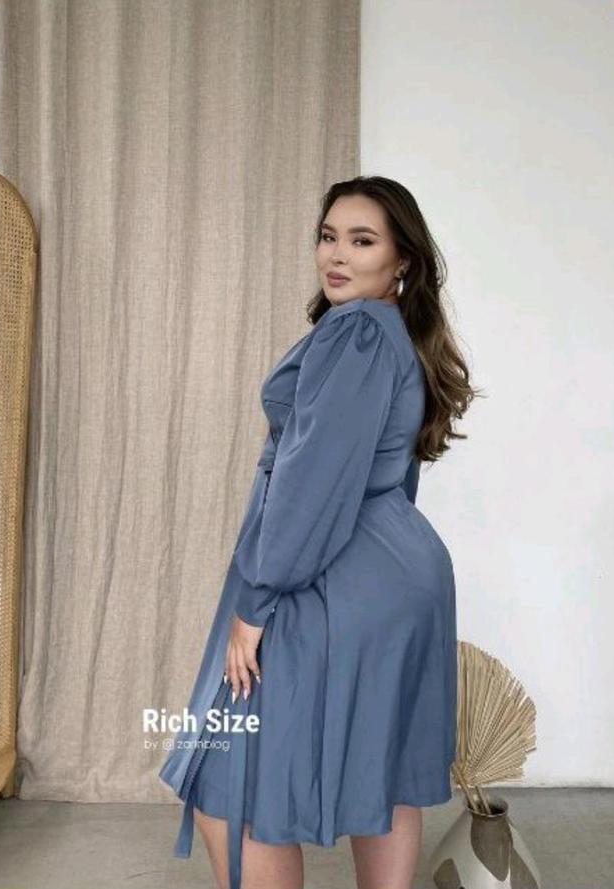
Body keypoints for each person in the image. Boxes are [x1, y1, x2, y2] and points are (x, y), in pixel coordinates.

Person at [159, 175, 478, 889]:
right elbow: (389, 470)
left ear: (401, 260)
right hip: (402, 574)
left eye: (362, 241)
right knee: (383, 768)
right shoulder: (394, 333)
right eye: (328, 237)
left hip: (338, 576)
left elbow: (311, 482)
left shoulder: (357, 333)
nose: (336, 255)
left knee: (231, 783)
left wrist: (257, 601)